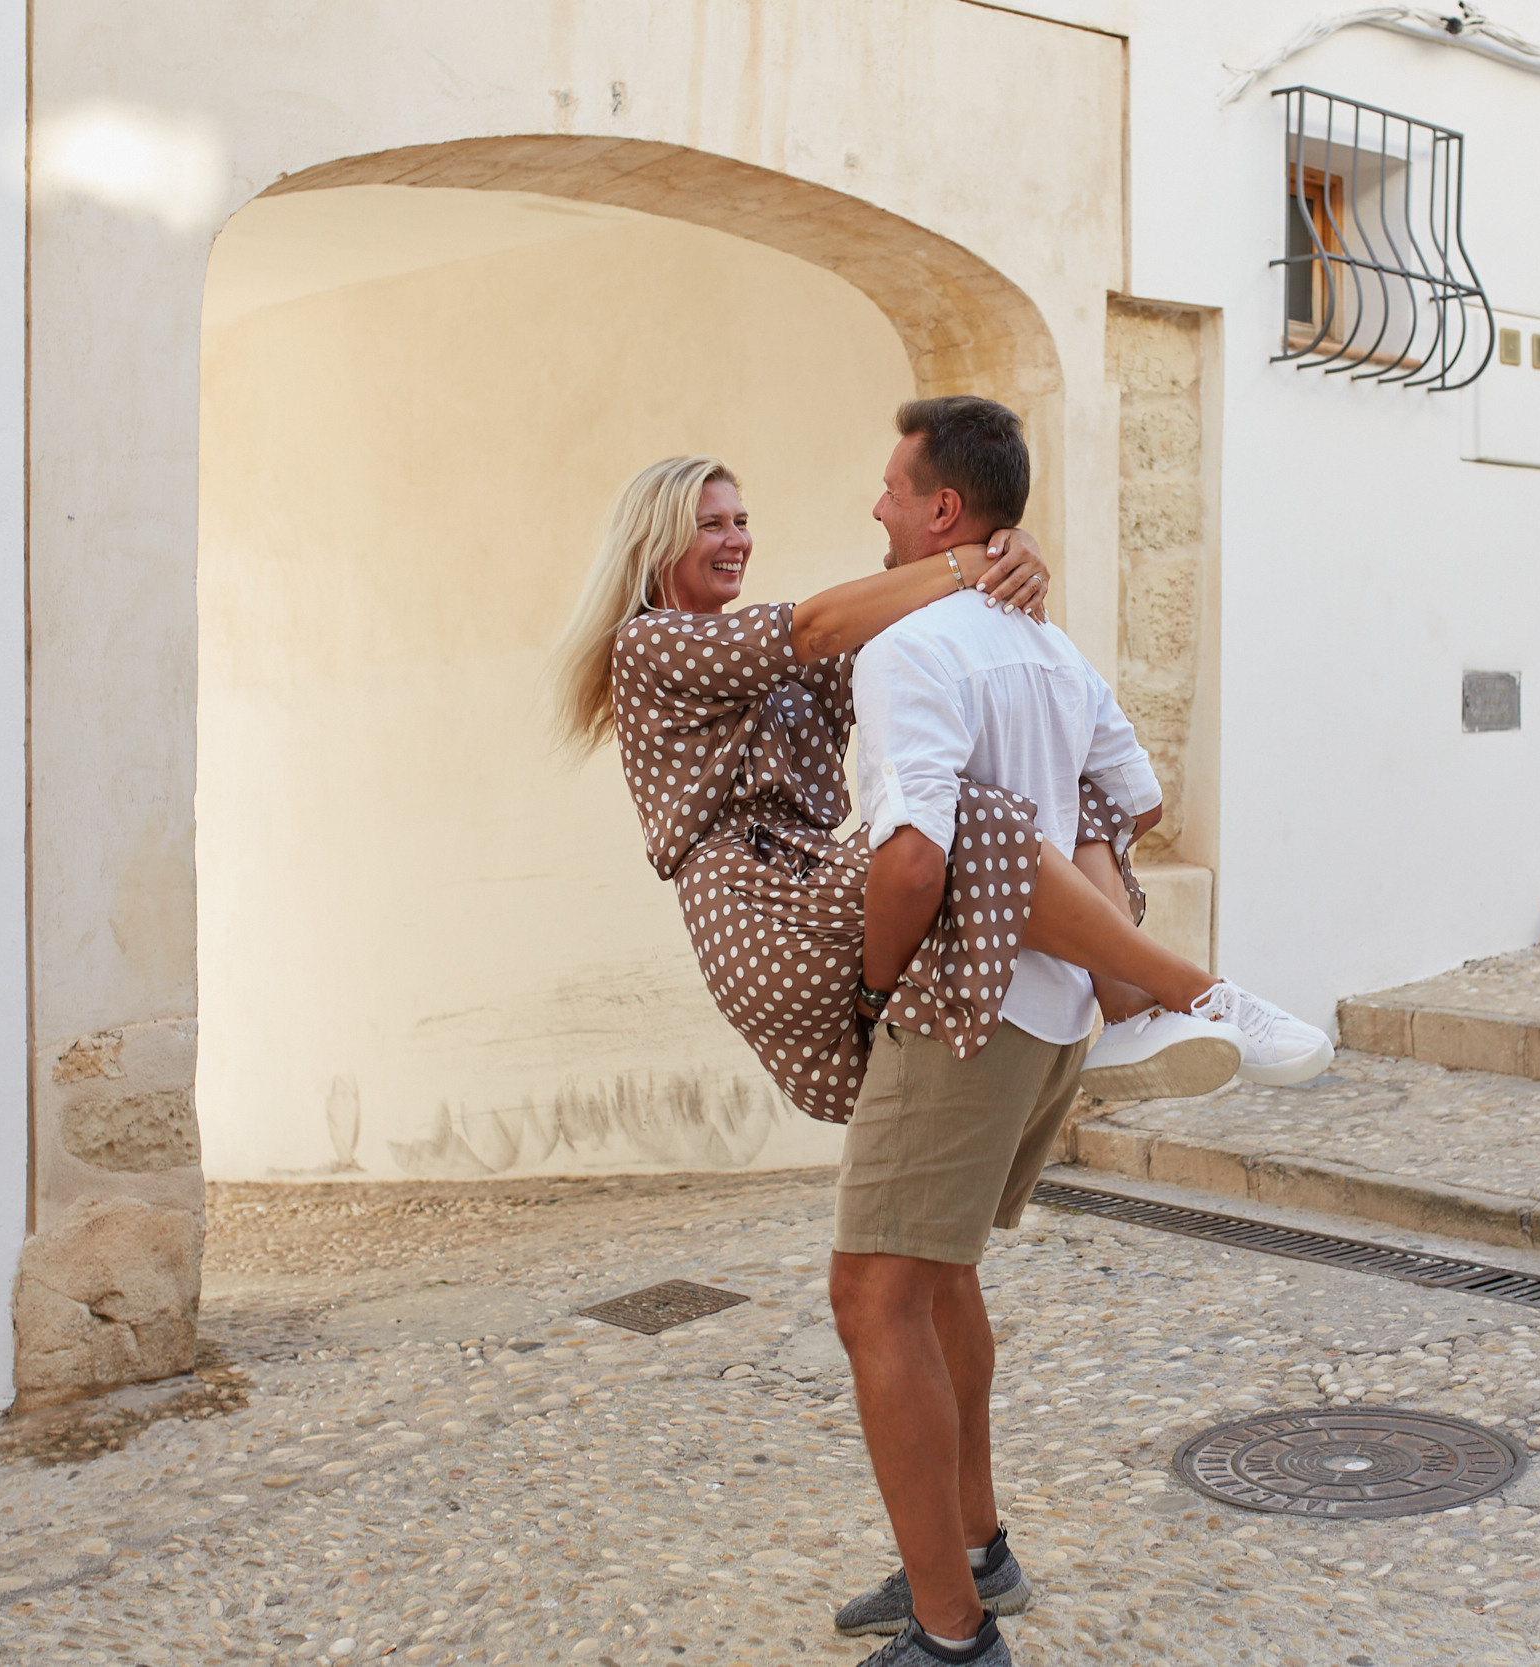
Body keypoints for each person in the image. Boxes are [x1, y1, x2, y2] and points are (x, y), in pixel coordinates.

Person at [823, 398, 1327, 1667]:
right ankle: (972, 1550)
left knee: (873, 1292)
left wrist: (874, 989)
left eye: (891, 486)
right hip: (1051, 1015)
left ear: (944, 509)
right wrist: (1069, 849)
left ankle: (951, 1635)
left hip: (963, 1010)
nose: (876, 505)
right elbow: (1135, 796)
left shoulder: (908, 649)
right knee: (940, 1278)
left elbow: (912, 855)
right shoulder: (1047, 643)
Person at [549, 456, 1316, 1134]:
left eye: (741, 521)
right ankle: (1201, 993)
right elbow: (817, 628)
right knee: (968, 815)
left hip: (818, 882)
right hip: (761, 911)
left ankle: (1126, 1010)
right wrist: (971, 560)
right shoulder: (647, 644)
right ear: (658, 542)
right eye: (711, 524)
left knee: (1076, 787)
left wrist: (1014, 549)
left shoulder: (756, 655)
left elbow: (893, 620)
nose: (736, 539)